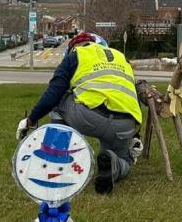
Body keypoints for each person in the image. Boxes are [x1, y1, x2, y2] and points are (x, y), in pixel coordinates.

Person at [16, 32, 143, 194]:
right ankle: (113, 164)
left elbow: (52, 95)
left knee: (59, 100)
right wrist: (135, 135)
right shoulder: (121, 58)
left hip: (90, 116)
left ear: (72, 48)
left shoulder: (75, 56)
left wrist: (30, 120)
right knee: (123, 158)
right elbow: (131, 95)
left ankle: (58, 160)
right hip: (125, 123)